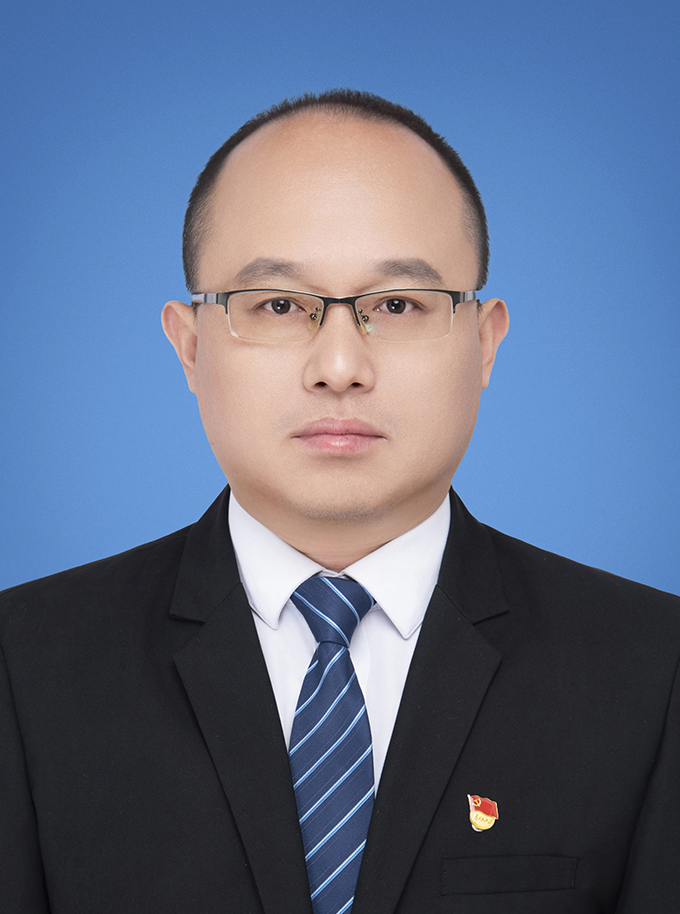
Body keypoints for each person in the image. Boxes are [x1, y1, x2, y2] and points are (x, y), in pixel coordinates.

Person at [1, 89, 678, 914]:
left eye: (397, 305)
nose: (339, 367)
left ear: (484, 341)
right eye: (279, 305)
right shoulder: (23, 667)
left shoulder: (653, 670)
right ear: (189, 345)